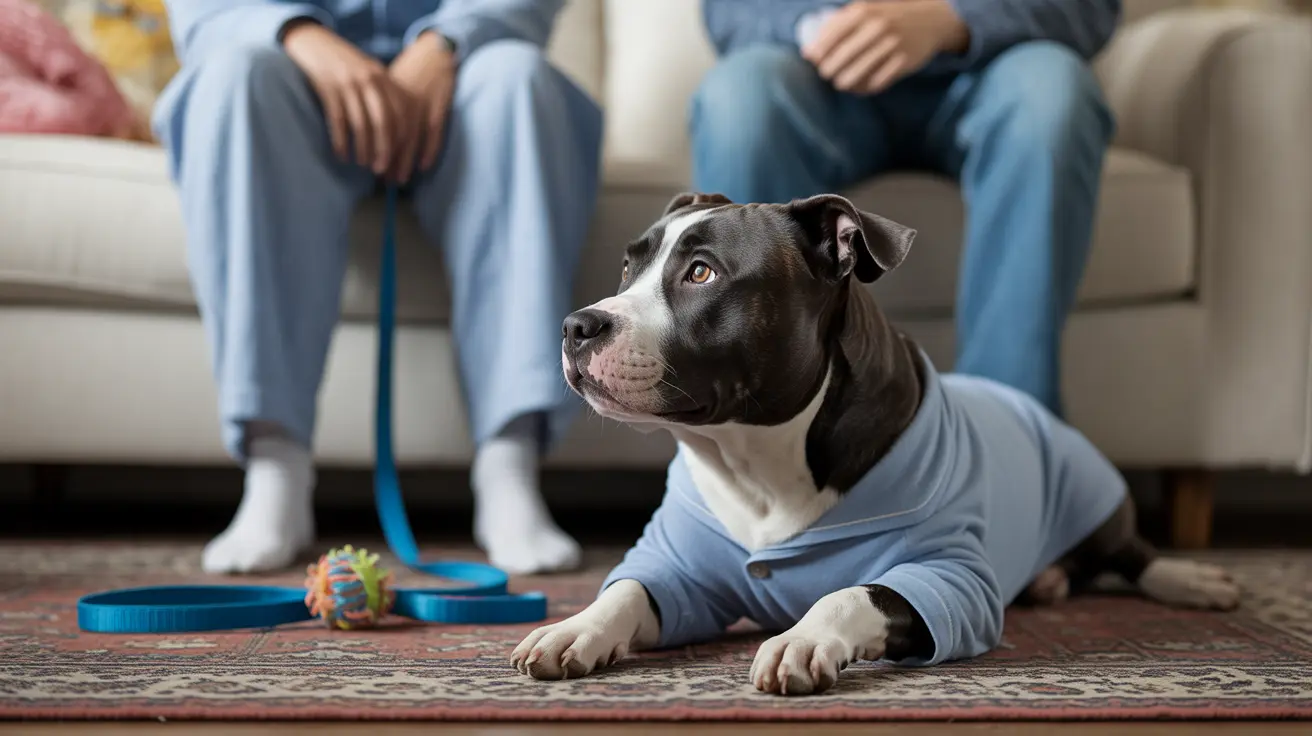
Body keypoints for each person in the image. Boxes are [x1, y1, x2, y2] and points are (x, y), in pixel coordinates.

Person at [153, 0, 602, 575]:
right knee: (238, 76)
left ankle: (508, 469)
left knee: (518, 77)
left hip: (463, 76)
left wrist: (447, 41)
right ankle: (275, 467)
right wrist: (296, 33)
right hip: (294, 74)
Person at [691, 0, 1118, 415]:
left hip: (995, 69)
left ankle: (1007, 439)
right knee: (740, 95)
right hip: (818, 76)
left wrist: (951, 19)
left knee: (1052, 92)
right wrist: (828, 28)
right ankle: (747, 425)